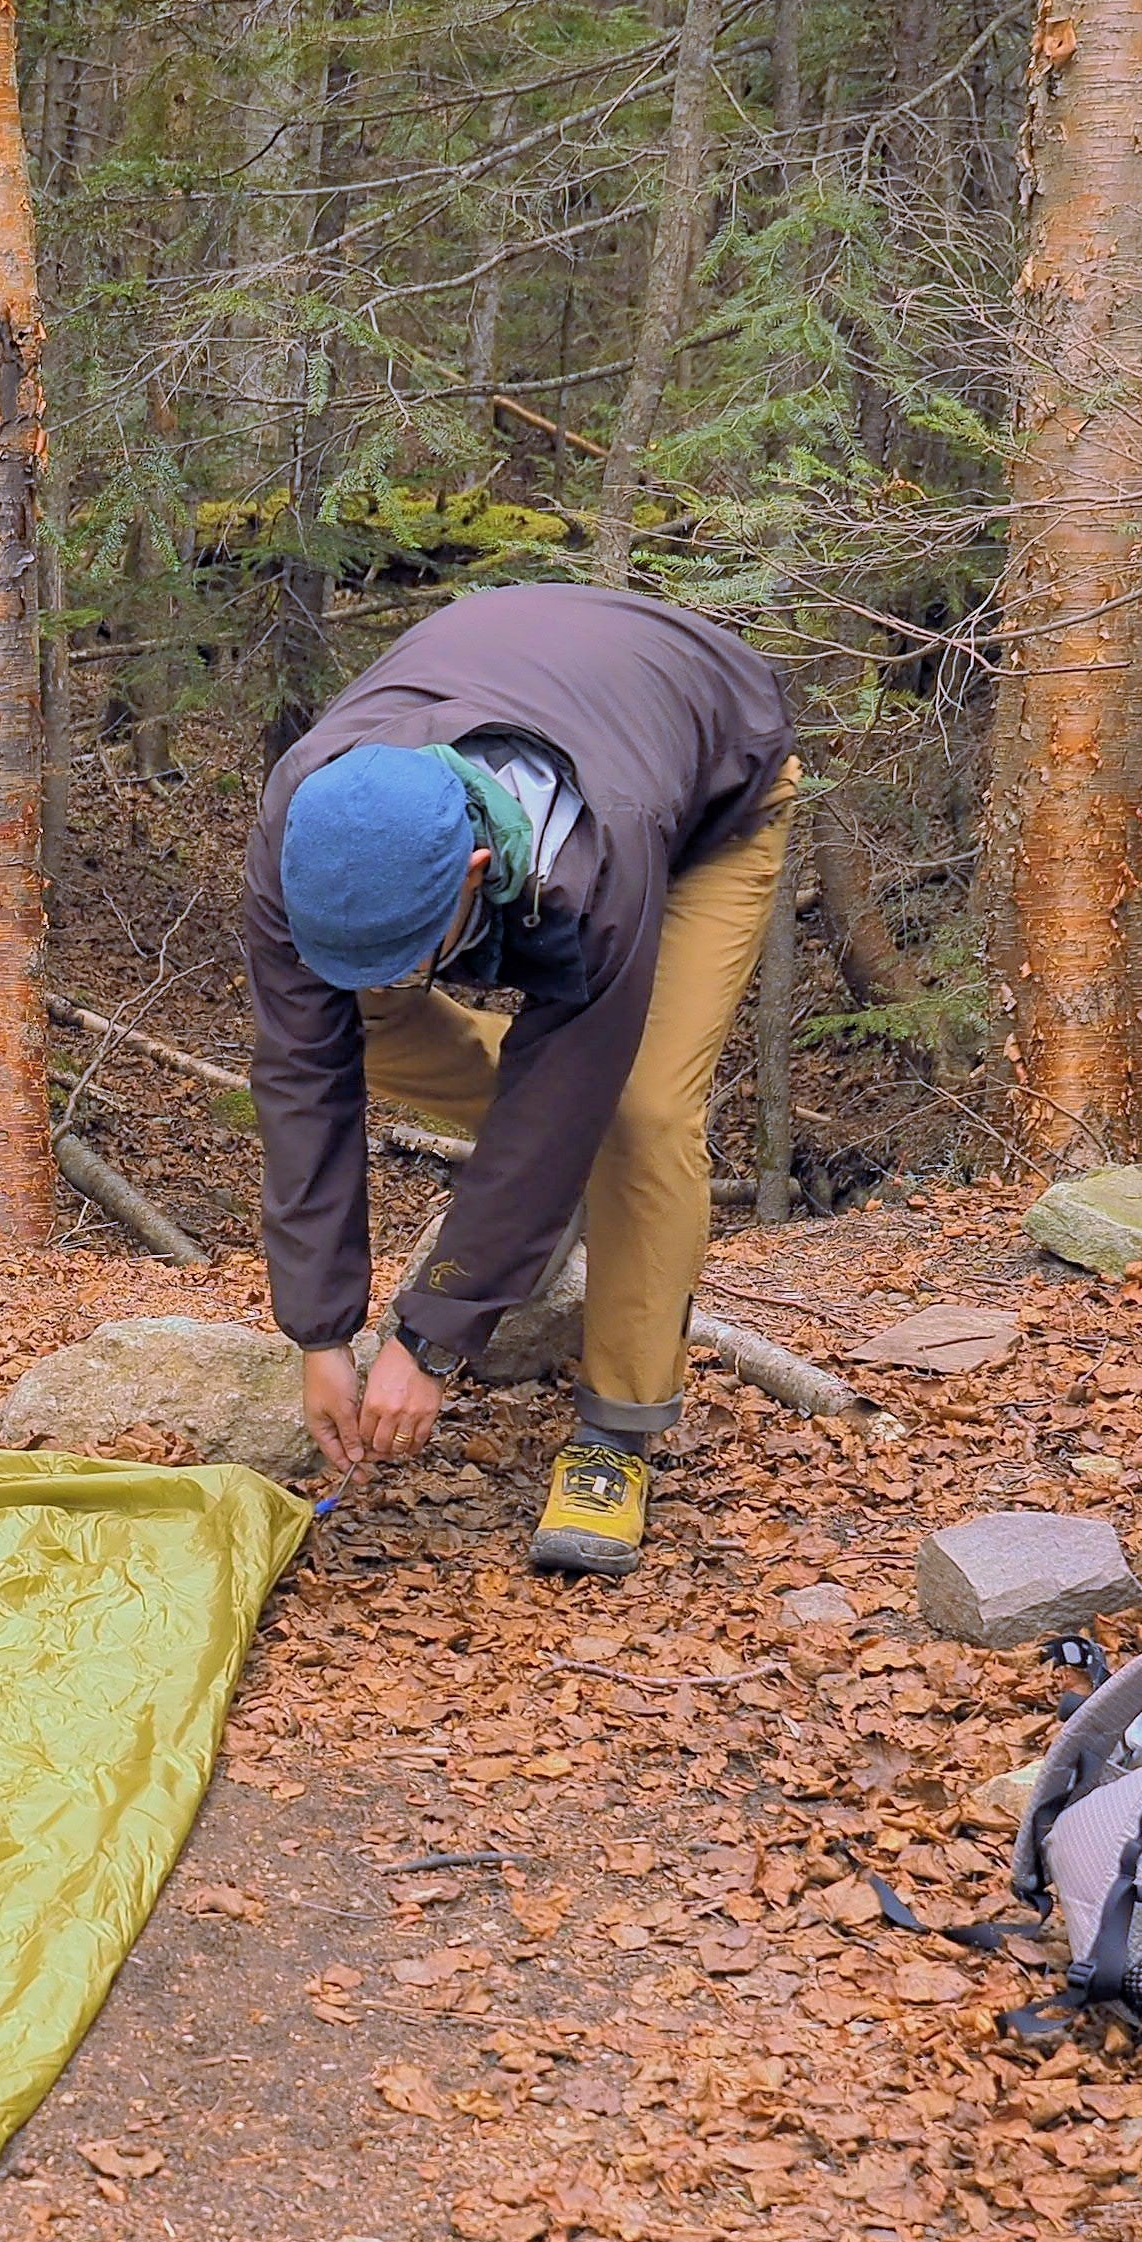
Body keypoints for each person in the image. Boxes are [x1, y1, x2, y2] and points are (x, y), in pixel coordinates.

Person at [246, 584, 798, 1577]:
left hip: (709, 786)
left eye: (408, 953)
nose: (384, 981)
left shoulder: (604, 860)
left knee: (633, 1115)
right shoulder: (307, 826)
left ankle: (617, 1434)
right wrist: (320, 1332)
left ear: (474, 869)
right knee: (387, 1038)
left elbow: (567, 1083)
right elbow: (301, 1070)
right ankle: (544, 1192)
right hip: (555, 686)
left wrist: (432, 1337)